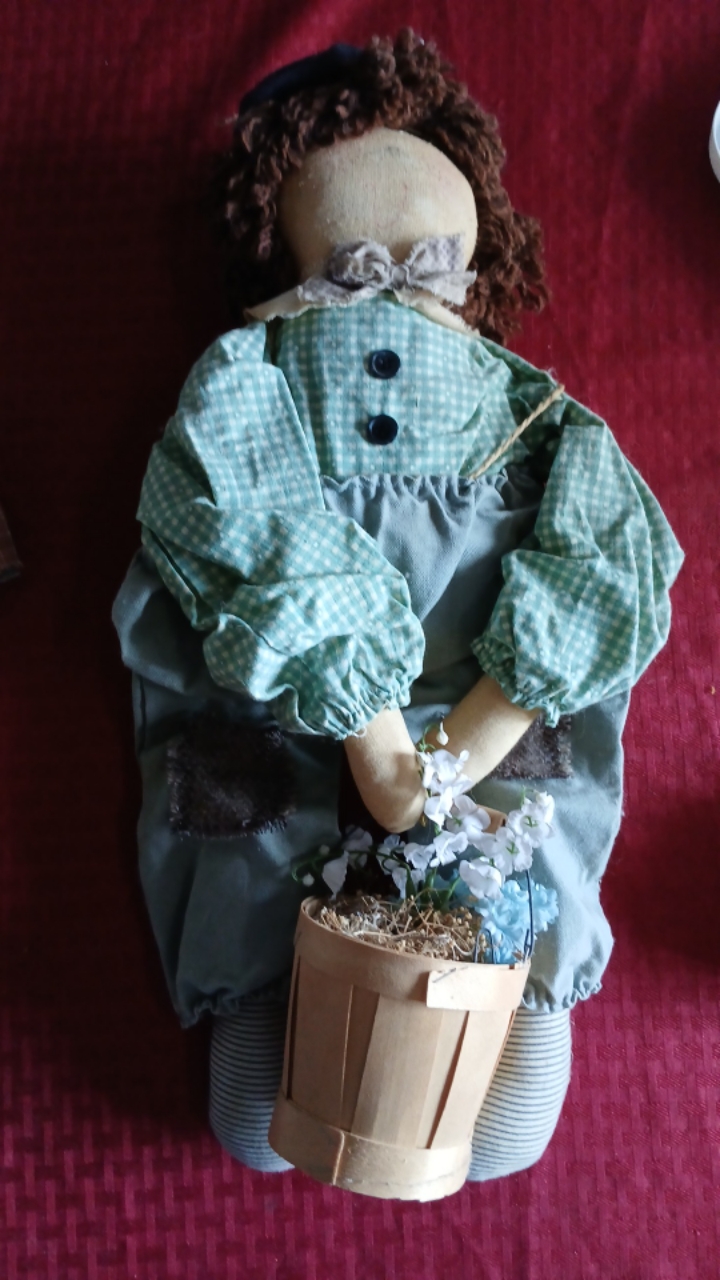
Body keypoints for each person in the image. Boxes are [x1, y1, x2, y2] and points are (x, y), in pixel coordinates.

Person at [113, 30, 682, 1182]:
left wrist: (478, 726)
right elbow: (237, 501)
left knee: (529, 801)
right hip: (281, 657)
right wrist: (374, 736)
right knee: (237, 781)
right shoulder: (250, 371)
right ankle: (257, 1003)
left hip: (488, 667)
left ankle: (523, 992)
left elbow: (607, 541)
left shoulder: (529, 404)